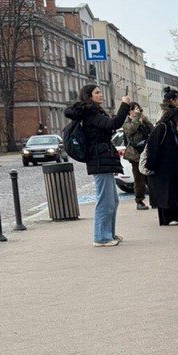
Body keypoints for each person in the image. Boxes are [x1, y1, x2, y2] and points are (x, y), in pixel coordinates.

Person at [64, 84, 131, 247]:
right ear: (89, 96)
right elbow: (114, 124)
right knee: (105, 201)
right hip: (99, 160)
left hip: (104, 159)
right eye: (97, 93)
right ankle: (101, 237)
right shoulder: (91, 114)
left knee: (112, 200)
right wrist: (124, 105)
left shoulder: (95, 112)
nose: (101, 95)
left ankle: (108, 233)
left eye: (100, 92)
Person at [146, 106, 178, 225]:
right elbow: (153, 148)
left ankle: (176, 215)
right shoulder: (162, 128)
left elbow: (177, 148)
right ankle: (167, 218)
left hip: (171, 167)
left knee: (173, 192)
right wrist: (150, 165)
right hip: (162, 168)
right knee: (165, 194)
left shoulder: (172, 129)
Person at [122, 103, 152, 210]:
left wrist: (145, 120)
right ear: (130, 111)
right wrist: (136, 118)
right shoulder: (127, 122)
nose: (137, 111)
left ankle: (154, 198)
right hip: (135, 154)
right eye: (135, 109)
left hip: (145, 151)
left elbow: (152, 130)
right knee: (139, 179)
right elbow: (130, 130)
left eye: (139, 109)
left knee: (150, 177)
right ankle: (139, 200)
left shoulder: (140, 120)